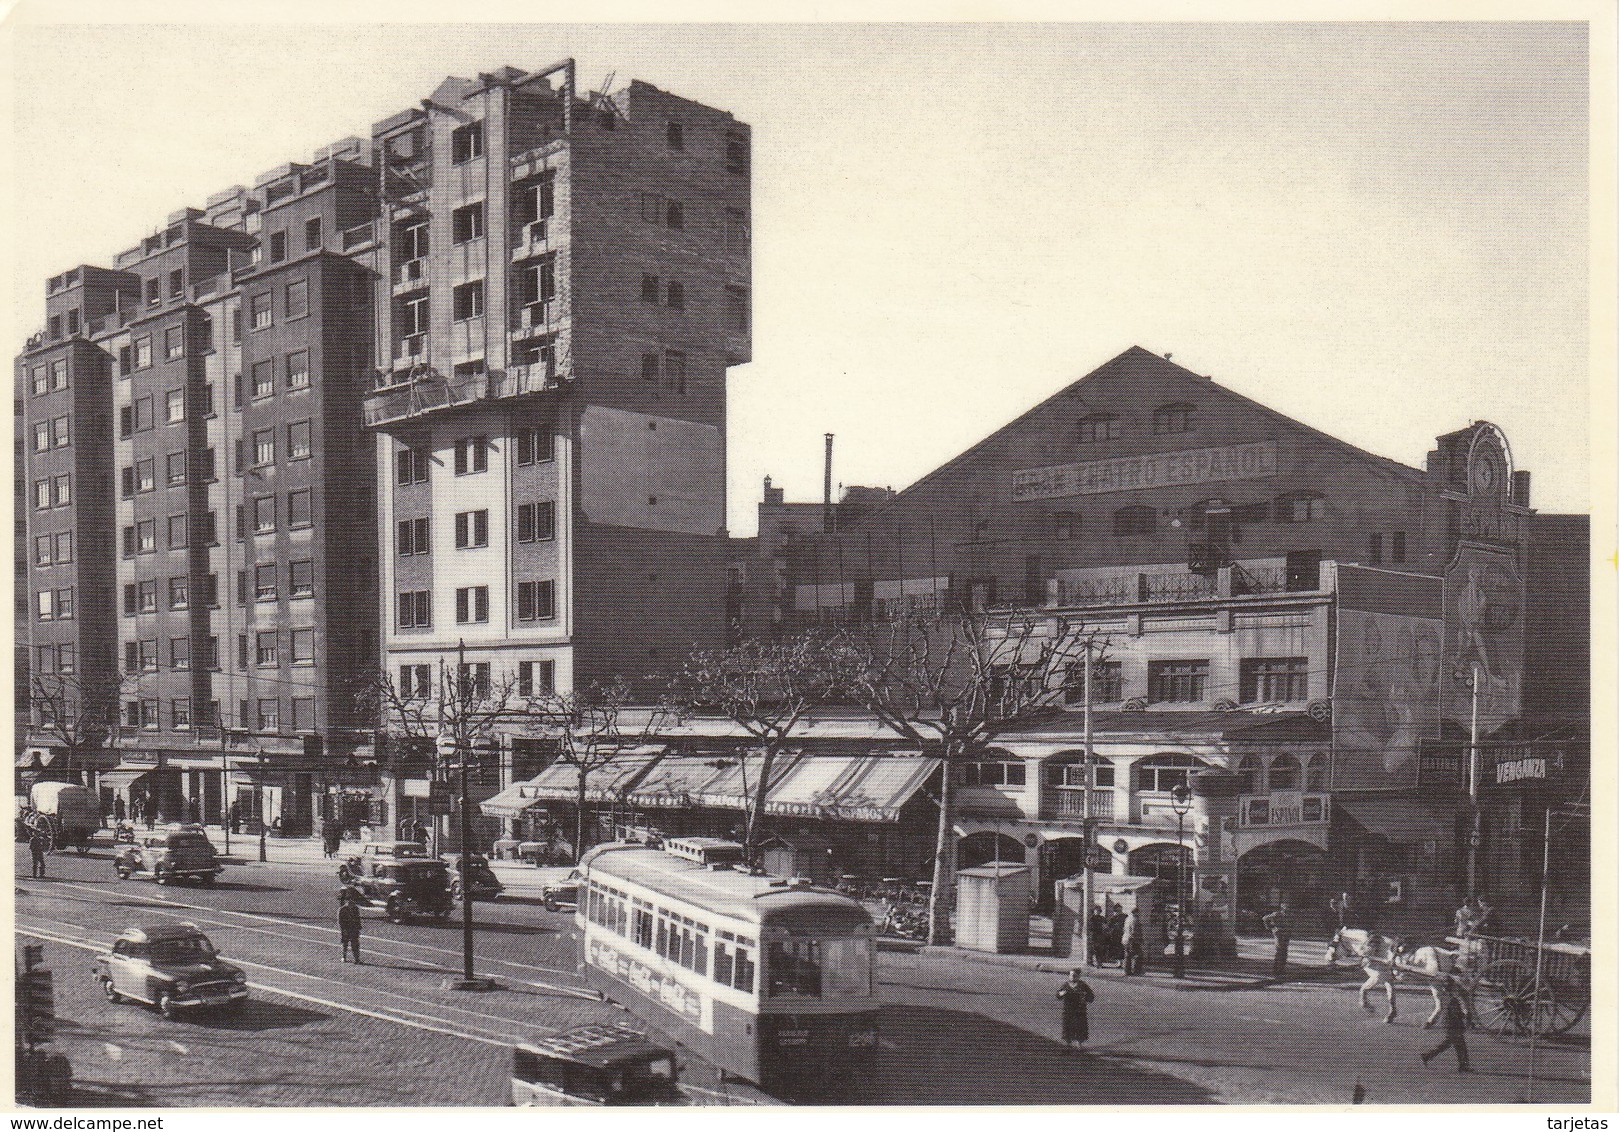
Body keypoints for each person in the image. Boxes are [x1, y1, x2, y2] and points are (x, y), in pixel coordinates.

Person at [1420, 976, 1472, 1071]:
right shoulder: (1452, 1000)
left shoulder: (1448, 997)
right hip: (1453, 1025)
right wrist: (1464, 1019)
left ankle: (1428, 1056)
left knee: (1450, 1045)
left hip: (1449, 1025)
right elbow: (1455, 1014)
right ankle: (1463, 1066)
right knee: (1458, 1046)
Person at [1056, 969, 1095, 1052]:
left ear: (1078, 976)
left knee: (1079, 1027)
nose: (1072, 977)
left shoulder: (1083, 985)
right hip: (1068, 1010)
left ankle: (1079, 1044)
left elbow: (1091, 997)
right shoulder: (1066, 985)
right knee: (1067, 1026)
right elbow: (1058, 995)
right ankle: (1068, 1044)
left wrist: (1085, 997)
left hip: (1079, 1010)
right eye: (1070, 975)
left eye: (1074, 975)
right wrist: (1061, 994)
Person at [1261, 902, 1293, 980]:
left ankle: (1282, 969)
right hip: (1279, 934)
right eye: (1285, 907)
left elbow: (1291, 924)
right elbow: (1265, 918)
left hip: (1286, 934)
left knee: (1284, 951)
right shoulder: (1277, 914)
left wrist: (1290, 930)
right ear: (1282, 908)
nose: (1287, 909)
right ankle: (1276, 969)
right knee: (1279, 951)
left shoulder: (1289, 916)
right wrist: (1270, 927)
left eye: (1288, 907)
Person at [338, 892, 363, 964]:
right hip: (346, 929)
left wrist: (358, 927)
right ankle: (344, 957)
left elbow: (358, 918)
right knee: (345, 943)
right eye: (349, 900)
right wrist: (343, 929)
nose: (351, 902)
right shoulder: (342, 909)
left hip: (354, 929)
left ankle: (357, 959)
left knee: (355, 944)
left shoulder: (356, 909)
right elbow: (340, 921)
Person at [1122, 908, 1145, 976]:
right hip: (1133, 940)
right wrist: (1140, 939)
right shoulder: (1135, 920)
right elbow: (1135, 931)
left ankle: (1127, 971)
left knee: (1128, 955)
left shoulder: (1127, 919)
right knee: (1139, 955)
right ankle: (1137, 970)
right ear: (1136, 912)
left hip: (1125, 939)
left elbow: (1124, 929)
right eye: (1138, 912)